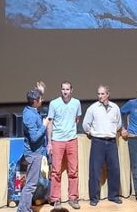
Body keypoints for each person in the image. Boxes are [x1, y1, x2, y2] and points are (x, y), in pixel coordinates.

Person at [82, 84, 123, 206]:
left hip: (111, 142)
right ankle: (94, 198)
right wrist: (92, 133)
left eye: (102, 94)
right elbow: (85, 125)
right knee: (95, 171)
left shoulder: (115, 108)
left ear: (108, 94)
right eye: (98, 94)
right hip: (98, 142)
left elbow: (119, 124)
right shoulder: (92, 108)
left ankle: (114, 196)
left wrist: (110, 131)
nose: (100, 96)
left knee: (114, 169)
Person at [47, 81, 82, 209]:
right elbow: (50, 123)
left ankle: (73, 198)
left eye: (67, 89)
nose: (65, 91)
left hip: (72, 140)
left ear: (71, 90)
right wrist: (50, 142)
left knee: (73, 170)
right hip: (57, 140)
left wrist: (69, 130)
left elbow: (77, 119)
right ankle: (56, 199)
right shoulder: (54, 103)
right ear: (60, 90)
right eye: (63, 89)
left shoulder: (76, 103)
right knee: (56, 171)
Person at [18, 88, 48, 212]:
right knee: (31, 184)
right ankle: (23, 209)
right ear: (35, 101)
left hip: (36, 152)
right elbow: (34, 137)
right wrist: (44, 125)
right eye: (40, 99)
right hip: (33, 153)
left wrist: (40, 91)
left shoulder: (31, 110)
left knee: (31, 183)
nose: (42, 100)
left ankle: (24, 208)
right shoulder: (30, 115)